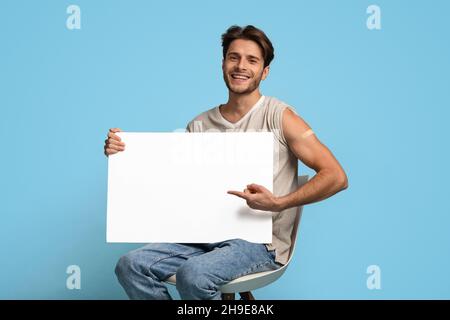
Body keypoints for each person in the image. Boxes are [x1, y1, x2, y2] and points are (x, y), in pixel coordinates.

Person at [103, 25, 348, 300]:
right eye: (234, 57)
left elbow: (336, 176)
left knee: (194, 275)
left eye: (252, 60)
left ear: (264, 71)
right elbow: (174, 187)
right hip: (201, 238)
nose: (241, 66)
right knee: (130, 266)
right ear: (223, 63)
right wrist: (125, 153)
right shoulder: (198, 125)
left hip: (259, 244)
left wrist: (279, 203)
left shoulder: (280, 117)